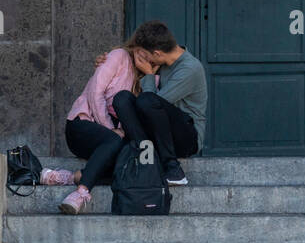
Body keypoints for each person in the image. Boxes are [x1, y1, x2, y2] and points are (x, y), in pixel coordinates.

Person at [37, 36, 147, 213]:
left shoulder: (147, 79)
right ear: (137, 48)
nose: (149, 59)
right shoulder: (119, 56)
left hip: (110, 143)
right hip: (81, 125)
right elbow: (96, 92)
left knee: (129, 168)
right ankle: (80, 193)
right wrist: (111, 129)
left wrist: (149, 73)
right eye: (146, 53)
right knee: (114, 141)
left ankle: (70, 177)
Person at [96, 20, 207, 186]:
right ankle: (145, 156)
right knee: (122, 98)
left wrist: (148, 75)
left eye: (145, 56)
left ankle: (173, 168)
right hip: (160, 132)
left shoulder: (190, 69)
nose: (142, 60)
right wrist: (105, 61)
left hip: (187, 137)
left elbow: (151, 105)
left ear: (157, 53)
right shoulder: (161, 62)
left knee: (148, 101)